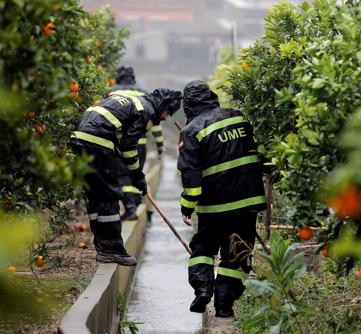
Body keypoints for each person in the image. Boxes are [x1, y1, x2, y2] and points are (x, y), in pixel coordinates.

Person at [177, 80, 266, 317]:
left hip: (214, 208)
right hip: (247, 203)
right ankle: (224, 306)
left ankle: (203, 289)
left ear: (188, 106)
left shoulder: (191, 131)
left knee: (203, 248)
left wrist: (187, 206)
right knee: (237, 253)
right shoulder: (237, 117)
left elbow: (191, 175)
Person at [71, 88, 182, 266]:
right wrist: (138, 176)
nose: (167, 118)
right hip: (97, 141)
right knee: (109, 194)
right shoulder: (145, 110)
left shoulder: (135, 102)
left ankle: (102, 247)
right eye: (168, 112)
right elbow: (129, 147)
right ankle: (111, 250)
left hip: (79, 138)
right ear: (163, 106)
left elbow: (121, 142)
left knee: (96, 194)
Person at [109, 66, 165, 220]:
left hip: (120, 144)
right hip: (140, 144)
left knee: (123, 176)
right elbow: (156, 122)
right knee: (136, 173)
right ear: (133, 78)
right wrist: (160, 146)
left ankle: (130, 207)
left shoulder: (112, 92)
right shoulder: (144, 93)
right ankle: (136, 203)